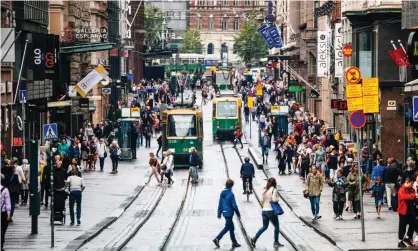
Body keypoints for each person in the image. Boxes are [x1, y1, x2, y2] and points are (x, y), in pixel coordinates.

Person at [250, 177, 283, 248]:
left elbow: (261, 200)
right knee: (276, 226)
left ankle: (254, 238)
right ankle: (276, 242)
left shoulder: (264, 189)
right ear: (274, 183)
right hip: (271, 211)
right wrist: (278, 198)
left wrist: (264, 206)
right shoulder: (274, 189)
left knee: (264, 226)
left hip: (264, 210)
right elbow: (274, 199)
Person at [213, 179, 241, 248]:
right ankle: (217, 239)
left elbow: (220, 203)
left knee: (231, 227)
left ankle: (234, 242)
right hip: (229, 213)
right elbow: (234, 205)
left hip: (224, 213)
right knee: (227, 227)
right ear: (232, 186)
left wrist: (219, 213)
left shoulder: (222, 192)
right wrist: (238, 214)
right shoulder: (231, 194)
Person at [397, 177, 416, 248]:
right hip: (403, 210)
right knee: (402, 226)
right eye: (412, 183)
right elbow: (404, 197)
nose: (412, 185)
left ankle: (408, 237)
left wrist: (413, 196)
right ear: (407, 182)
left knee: (414, 223)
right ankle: (400, 241)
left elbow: (411, 198)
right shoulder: (401, 189)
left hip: (410, 209)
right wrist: (413, 196)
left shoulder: (412, 189)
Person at [1, 175, 11, 251]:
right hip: (3, 212)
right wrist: (8, 213)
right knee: (2, 230)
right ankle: (1, 245)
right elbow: (8, 203)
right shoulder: (5, 190)